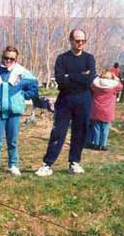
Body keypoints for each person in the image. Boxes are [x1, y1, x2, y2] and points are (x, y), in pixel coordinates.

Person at [35, 28, 96, 177]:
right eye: (77, 40)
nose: (80, 43)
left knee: (80, 132)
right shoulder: (62, 59)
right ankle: (47, 164)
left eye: (83, 40)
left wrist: (71, 77)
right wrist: (80, 76)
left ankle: (74, 162)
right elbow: (61, 81)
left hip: (84, 100)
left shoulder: (89, 58)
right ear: (71, 40)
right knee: (58, 132)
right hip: (65, 100)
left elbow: (90, 79)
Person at [0, 45, 38, 177]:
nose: (8, 61)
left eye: (12, 59)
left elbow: (33, 87)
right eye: (6, 58)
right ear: (2, 56)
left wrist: (22, 97)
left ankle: (13, 164)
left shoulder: (22, 72)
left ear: (16, 59)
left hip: (14, 112)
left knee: (13, 140)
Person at [87, 71, 122, 151]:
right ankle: (103, 145)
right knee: (105, 127)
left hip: (96, 108)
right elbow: (120, 86)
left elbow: (92, 85)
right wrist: (115, 78)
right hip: (108, 109)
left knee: (96, 127)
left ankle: (95, 143)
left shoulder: (96, 85)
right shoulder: (113, 87)